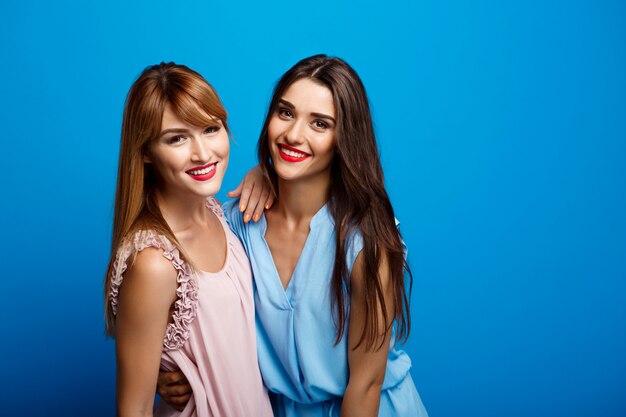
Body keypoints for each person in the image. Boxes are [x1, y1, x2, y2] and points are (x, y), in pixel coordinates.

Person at [160, 55, 428, 416]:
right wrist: (172, 374)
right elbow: (200, 321)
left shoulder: (367, 239)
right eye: (285, 113)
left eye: (320, 123)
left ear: (344, 138)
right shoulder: (234, 224)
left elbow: (365, 385)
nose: (293, 134)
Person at [103, 62, 273, 417]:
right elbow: (133, 409)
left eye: (211, 129)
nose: (202, 153)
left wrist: (266, 172)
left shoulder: (220, 214)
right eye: (176, 138)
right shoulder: (153, 262)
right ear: (146, 151)